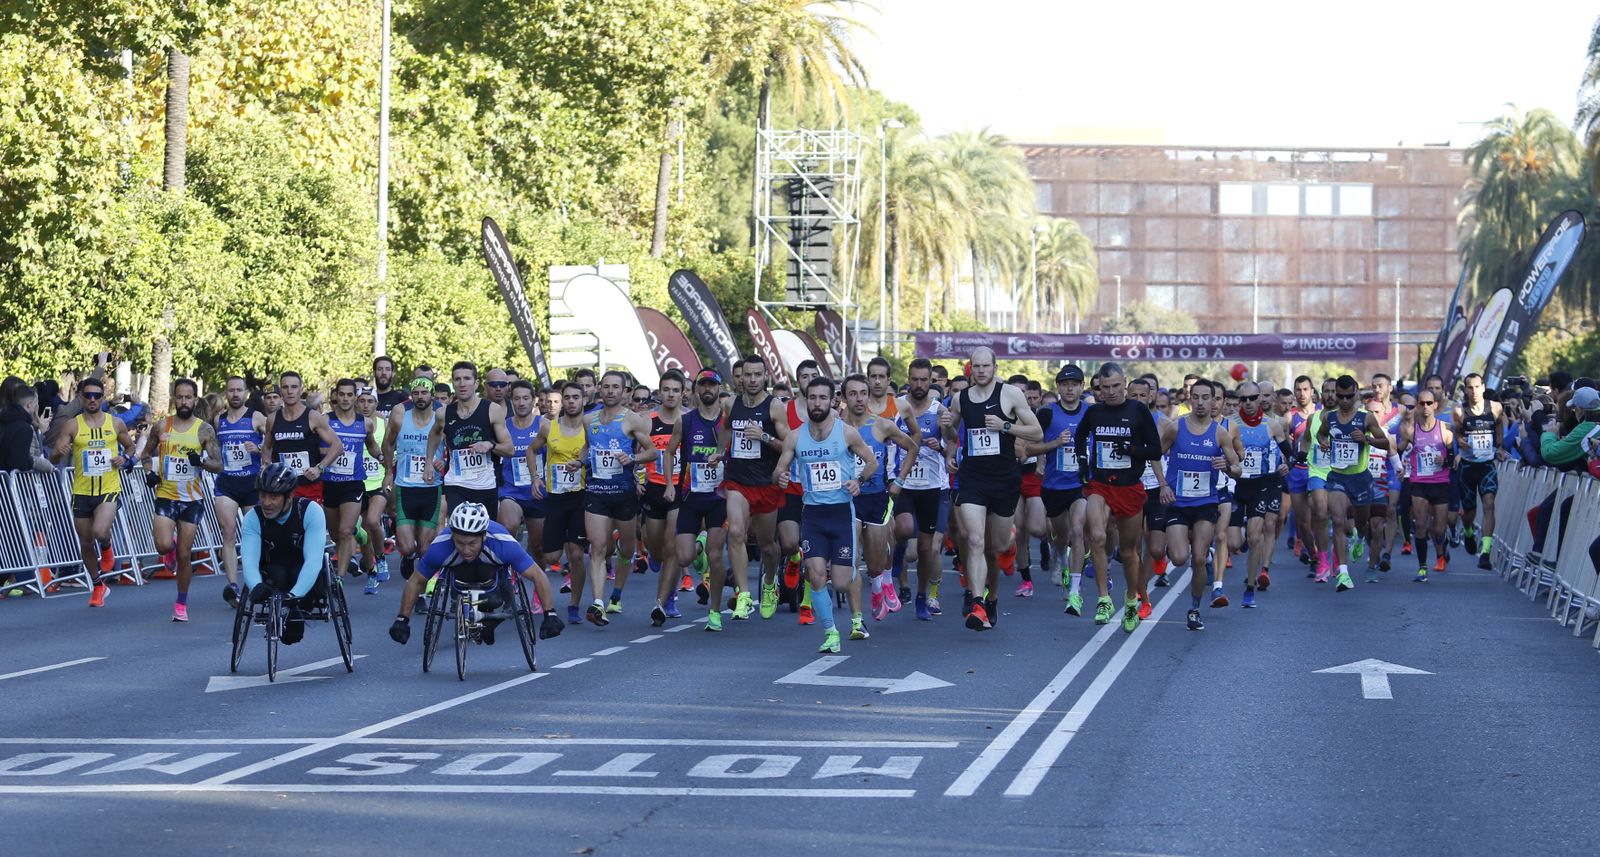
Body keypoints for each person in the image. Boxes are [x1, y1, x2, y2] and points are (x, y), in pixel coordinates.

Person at [775, 377, 879, 652]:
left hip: (841, 514)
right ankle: (830, 632)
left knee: (842, 582)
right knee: (817, 574)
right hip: (813, 516)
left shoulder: (846, 433)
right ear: (805, 400)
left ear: (833, 401)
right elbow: (779, 469)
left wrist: (859, 480)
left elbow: (872, 462)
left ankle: (854, 612)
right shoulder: (796, 436)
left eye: (823, 398)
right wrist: (781, 477)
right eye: (812, 398)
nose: (817, 403)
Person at [942, 346, 1043, 632]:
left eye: (987, 366)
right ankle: (977, 603)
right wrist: (947, 430)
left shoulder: (1010, 394)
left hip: (1004, 481)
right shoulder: (960, 399)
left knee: (996, 547)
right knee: (974, 541)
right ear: (970, 368)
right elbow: (952, 436)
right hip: (973, 479)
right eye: (977, 366)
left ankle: (994, 595)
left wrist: (1006, 426)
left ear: (995, 367)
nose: (982, 371)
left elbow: (1036, 432)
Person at [388, 502, 565, 647]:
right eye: (460, 543)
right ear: (452, 537)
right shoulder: (440, 547)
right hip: (460, 574)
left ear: (484, 537)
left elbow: (538, 575)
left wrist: (550, 614)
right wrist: (402, 619)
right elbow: (415, 581)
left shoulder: (503, 543)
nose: (466, 549)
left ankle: (491, 619)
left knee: (497, 594)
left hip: (492, 573)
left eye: (472, 543)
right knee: (461, 574)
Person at [1074, 362, 1164, 632]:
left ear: (1124, 383)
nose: (1111, 392)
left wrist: (1131, 449)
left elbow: (1155, 450)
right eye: (1105, 387)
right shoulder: (1094, 412)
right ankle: (1103, 599)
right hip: (1100, 485)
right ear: (1098, 387)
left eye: (1115, 386)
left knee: (1129, 551)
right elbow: (1080, 438)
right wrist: (1082, 464)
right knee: (1098, 537)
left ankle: (1131, 599)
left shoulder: (1138, 411)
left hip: (1129, 486)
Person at [1158, 379, 1241, 630]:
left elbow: (1237, 469)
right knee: (1180, 557)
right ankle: (1200, 559)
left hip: (1206, 502)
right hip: (1178, 502)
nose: (1202, 402)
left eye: (1207, 397)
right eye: (1197, 397)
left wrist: (1226, 466)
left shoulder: (1220, 432)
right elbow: (1155, 456)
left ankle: (1194, 609)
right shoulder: (1175, 428)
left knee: (1197, 557)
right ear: (1190, 399)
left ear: (1214, 400)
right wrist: (1162, 485)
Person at [140, 379, 224, 622]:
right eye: (180, 397)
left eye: (188, 397)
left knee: (185, 556)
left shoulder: (204, 430)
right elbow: (146, 454)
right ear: (174, 399)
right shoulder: (161, 426)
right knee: (163, 546)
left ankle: (181, 603)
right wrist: (149, 473)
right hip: (166, 493)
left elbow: (219, 465)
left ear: (195, 400)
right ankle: (171, 547)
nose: (184, 402)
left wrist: (203, 463)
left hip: (192, 499)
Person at [580, 370, 658, 623]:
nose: (611, 391)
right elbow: (587, 448)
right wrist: (578, 462)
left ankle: (617, 594)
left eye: (616, 387)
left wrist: (632, 458)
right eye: (607, 386)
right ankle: (598, 603)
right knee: (598, 547)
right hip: (596, 492)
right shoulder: (588, 420)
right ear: (600, 389)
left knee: (625, 548)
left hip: (624, 493)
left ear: (624, 392)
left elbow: (652, 452)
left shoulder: (631, 420)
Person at [52, 377, 138, 607]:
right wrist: (59, 452)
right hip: (81, 490)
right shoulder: (72, 425)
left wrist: (125, 457)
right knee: (87, 542)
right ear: (81, 397)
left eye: (96, 396)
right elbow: (53, 456)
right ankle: (98, 585)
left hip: (108, 487)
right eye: (88, 395)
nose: (92, 400)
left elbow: (130, 446)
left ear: (102, 398)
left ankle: (108, 547)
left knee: (100, 531)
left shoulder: (115, 423)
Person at [840, 374, 917, 623]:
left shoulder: (882, 425)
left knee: (874, 564)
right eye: (853, 394)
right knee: (852, 560)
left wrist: (900, 480)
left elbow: (912, 448)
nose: (859, 398)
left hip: (876, 498)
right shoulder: (836, 427)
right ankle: (856, 619)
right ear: (843, 398)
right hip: (847, 500)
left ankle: (877, 587)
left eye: (863, 393)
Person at [722, 356, 790, 623]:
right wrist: (718, 453)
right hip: (737, 481)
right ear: (739, 377)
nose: (751, 380)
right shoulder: (730, 403)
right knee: (736, 532)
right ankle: (744, 595)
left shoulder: (774, 407)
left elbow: (789, 446)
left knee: (768, 545)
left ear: (765, 377)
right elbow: (726, 430)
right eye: (746, 375)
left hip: (766, 483)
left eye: (757, 375)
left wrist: (763, 436)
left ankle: (770, 582)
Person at [660, 369, 730, 628]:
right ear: (696, 390)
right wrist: (669, 483)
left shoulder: (727, 421)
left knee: (715, 556)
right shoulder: (686, 421)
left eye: (712, 384)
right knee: (684, 558)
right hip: (690, 496)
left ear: (719, 389)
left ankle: (714, 612)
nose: (708, 388)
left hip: (719, 498)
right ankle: (699, 541)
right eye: (703, 384)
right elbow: (668, 452)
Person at [1314, 375, 1392, 593]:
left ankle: (1359, 539)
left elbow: (1386, 443)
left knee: (1361, 524)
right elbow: (1321, 436)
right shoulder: (1329, 418)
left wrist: (1366, 440)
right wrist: (1324, 444)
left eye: (1349, 396)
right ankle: (1344, 574)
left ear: (1356, 393)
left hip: (1360, 478)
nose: (1345, 400)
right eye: (1341, 396)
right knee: (1338, 521)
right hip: (1337, 477)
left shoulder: (1366, 418)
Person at [526, 381, 593, 625]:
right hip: (555, 497)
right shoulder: (549, 427)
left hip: (581, 496)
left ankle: (574, 605)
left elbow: (596, 450)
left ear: (583, 400)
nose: (572, 401)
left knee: (575, 554)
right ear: (562, 401)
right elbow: (531, 451)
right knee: (552, 556)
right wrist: (535, 478)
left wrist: (584, 462)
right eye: (568, 398)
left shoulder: (590, 427)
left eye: (577, 397)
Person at [240, 463, 328, 646]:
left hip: (304, 574)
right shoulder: (253, 518)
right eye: (263, 495)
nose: (266, 503)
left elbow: (313, 560)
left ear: (289, 497)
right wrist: (255, 585)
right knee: (278, 573)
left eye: (273, 497)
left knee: (299, 573)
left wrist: (294, 596)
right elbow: (248, 559)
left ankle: (296, 613)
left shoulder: (310, 512)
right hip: (273, 572)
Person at [893, 358, 952, 620]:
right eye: (914, 379)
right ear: (909, 378)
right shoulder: (896, 408)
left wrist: (942, 446)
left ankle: (921, 597)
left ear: (931, 381)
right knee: (904, 529)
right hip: (903, 483)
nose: (918, 384)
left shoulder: (940, 411)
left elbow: (953, 443)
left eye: (923, 380)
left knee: (927, 550)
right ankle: (898, 554)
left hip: (932, 486)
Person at [1030, 364, 1090, 616]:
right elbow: (1028, 449)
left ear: (1081, 387)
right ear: (1058, 387)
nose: (1069, 388)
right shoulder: (1047, 413)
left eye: (1074, 384)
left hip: (1082, 485)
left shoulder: (1092, 412)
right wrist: (1055, 443)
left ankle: (1074, 592)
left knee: (1078, 531)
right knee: (1062, 536)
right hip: (1053, 485)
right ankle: (1059, 555)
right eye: (1065, 384)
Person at [428, 361, 514, 514]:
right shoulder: (443, 413)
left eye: (467, 379)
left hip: (486, 485)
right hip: (456, 483)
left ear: (476, 383)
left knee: (483, 533)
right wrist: (429, 462)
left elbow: (509, 450)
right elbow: (434, 434)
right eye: (457, 379)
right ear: (453, 383)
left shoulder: (492, 410)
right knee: (460, 529)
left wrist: (490, 445)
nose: (462, 384)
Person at [1231, 380, 1289, 605]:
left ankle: (1250, 586)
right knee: (1235, 543)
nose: (1248, 403)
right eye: (1243, 399)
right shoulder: (1229, 424)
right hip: (1236, 486)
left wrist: (1287, 464)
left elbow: (1287, 452)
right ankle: (1241, 536)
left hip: (1261, 485)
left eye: (1252, 398)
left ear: (1259, 399)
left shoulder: (1272, 425)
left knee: (1256, 536)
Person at [322, 379, 383, 590]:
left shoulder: (365, 423)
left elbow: (372, 446)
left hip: (354, 483)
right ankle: (363, 538)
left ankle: (339, 579)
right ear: (336, 396)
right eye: (342, 394)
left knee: (345, 531)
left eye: (350, 395)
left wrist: (382, 457)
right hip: (330, 483)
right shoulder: (325, 421)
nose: (346, 399)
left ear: (354, 397)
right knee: (335, 533)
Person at [211, 376, 265, 605]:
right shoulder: (218, 420)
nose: (235, 394)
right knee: (228, 532)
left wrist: (259, 447)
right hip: (227, 483)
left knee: (254, 535)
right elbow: (214, 449)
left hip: (252, 484)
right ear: (226, 393)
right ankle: (233, 586)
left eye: (239, 390)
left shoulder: (256, 417)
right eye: (231, 390)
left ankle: (256, 581)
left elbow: (272, 443)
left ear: (245, 393)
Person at [384, 378, 443, 584]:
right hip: (405, 487)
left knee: (425, 548)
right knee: (408, 546)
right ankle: (408, 558)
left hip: (431, 488)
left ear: (432, 395)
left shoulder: (440, 419)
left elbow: (451, 449)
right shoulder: (401, 417)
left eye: (424, 393)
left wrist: (443, 462)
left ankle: (420, 588)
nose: (420, 397)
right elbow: (388, 444)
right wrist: (388, 472)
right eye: (416, 393)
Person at [497, 380, 549, 608]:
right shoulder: (504, 426)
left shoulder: (544, 425)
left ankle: (539, 588)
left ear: (534, 400)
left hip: (538, 493)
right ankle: (509, 578)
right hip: (511, 492)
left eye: (525, 398)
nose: (521, 402)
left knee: (538, 547)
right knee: (507, 526)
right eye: (516, 398)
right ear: (511, 400)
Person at [641, 371, 687, 625]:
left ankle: (663, 600)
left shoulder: (689, 420)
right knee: (656, 548)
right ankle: (656, 559)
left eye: (675, 390)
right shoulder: (649, 421)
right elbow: (636, 452)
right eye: (666, 390)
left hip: (681, 488)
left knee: (672, 546)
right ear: (660, 392)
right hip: (654, 489)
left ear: (683, 393)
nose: (670, 394)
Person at [260, 371, 344, 505]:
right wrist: (266, 466)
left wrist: (319, 468)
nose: (289, 391)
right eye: (285, 387)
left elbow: (338, 445)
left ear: (301, 389)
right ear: (281, 390)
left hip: (309, 486)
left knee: (310, 525)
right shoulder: (273, 419)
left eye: (294, 387)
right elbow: (267, 448)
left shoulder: (313, 417)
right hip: (283, 488)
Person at [1398, 389, 1455, 582]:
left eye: (1429, 403)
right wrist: (1398, 467)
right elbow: (1398, 451)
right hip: (1419, 483)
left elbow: (1454, 460)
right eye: (1421, 403)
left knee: (1438, 528)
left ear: (1435, 405)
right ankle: (1422, 567)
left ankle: (1441, 552)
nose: (1425, 407)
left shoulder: (1445, 430)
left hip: (1440, 484)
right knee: (1421, 524)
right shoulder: (1411, 430)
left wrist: (1445, 461)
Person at [1453, 373, 1506, 570]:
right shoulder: (1459, 411)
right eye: (1469, 387)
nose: (1474, 391)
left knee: (1489, 505)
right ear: (1465, 390)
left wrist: (1499, 447)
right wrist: (1460, 442)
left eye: (1477, 386)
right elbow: (1457, 434)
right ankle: (1467, 530)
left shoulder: (1495, 407)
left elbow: (1499, 424)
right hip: (1468, 467)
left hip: (1487, 465)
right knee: (1469, 511)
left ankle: (1485, 553)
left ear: (1483, 387)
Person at [356, 386, 391, 591]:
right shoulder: (351, 423)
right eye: (362, 400)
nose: (366, 405)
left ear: (376, 404)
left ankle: (381, 558)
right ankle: (371, 571)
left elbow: (389, 448)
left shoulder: (382, 423)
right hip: (358, 482)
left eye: (370, 401)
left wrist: (389, 468)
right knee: (360, 530)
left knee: (372, 521)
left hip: (378, 481)